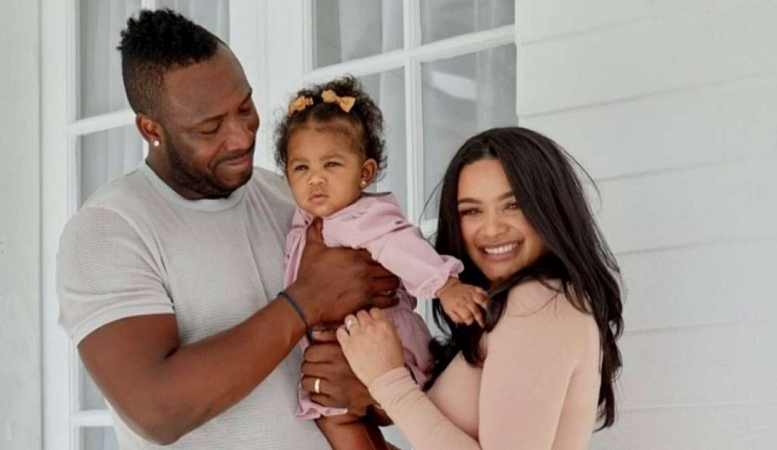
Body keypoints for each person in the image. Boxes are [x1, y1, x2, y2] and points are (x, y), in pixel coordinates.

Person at [56, 9, 397, 449]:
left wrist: (371, 395)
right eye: (210, 127)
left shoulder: (287, 197)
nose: (240, 137)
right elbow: (158, 410)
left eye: (245, 107)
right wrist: (307, 299)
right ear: (151, 129)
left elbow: (387, 337)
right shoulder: (110, 231)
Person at [336, 127, 625, 449]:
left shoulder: (540, 302)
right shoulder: (523, 306)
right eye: (472, 211)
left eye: (513, 205)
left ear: (550, 209)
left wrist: (388, 381)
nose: (492, 229)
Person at [273, 77, 488, 448]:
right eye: (301, 168)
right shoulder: (307, 222)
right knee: (339, 417)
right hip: (345, 343)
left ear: (365, 173)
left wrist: (444, 285)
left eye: (332, 164)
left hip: (380, 337)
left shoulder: (363, 217)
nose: (316, 179)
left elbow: (401, 245)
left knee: (338, 418)